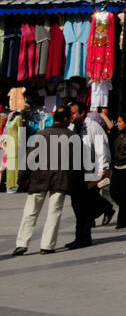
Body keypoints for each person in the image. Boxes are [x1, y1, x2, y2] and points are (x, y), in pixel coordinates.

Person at [13, 105, 77, 255]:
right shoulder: (72, 137)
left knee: (30, 211)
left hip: (39, 178)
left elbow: (28, 158)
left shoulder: (41, 135)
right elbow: (77, 163)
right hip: (60, 179)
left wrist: (21, 177)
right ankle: (47, 246)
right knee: (54, 212)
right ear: (66, 119)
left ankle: (21, 243)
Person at [66, 100, 109, 250]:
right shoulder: (72, 127)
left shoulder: (93, 127)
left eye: (73, 113)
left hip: (91, 173)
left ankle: (85, 237)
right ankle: (79, 237)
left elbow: (101, 149)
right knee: (77, 206)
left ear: (82, 113)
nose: (71, 116)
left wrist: (102, 172)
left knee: (85, 207)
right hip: (76, 174)